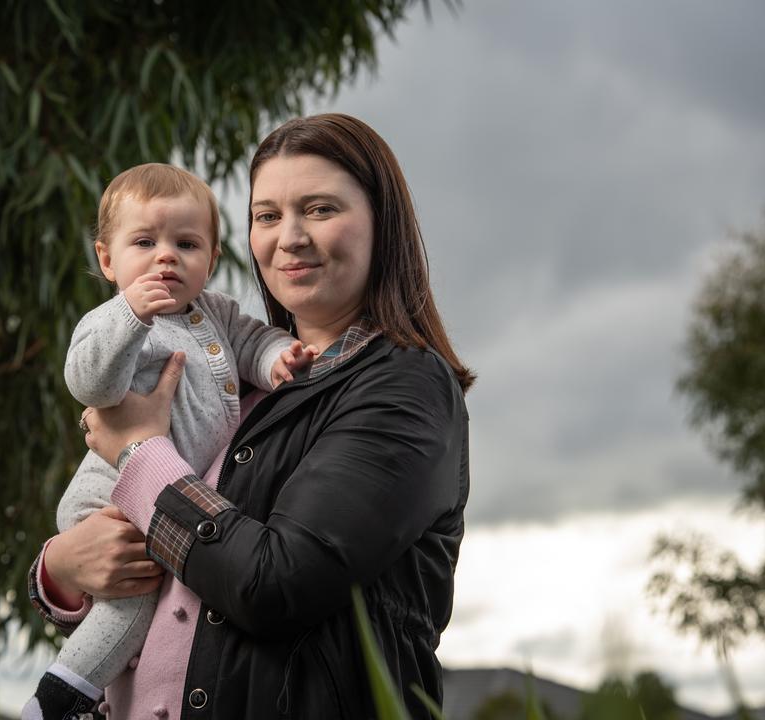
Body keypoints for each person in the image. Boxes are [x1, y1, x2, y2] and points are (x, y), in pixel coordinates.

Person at [31, 113, 474, 719]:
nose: (289, 237)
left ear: (382, 223)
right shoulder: (232, 384)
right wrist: (60, 569)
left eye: (320, 209)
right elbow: (175, 575)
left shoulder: (404, 388)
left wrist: (137, 451)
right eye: (267, 216)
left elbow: (274, 583)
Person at [23, 163, 318, 720]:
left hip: (167, 506)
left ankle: (89, 699)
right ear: (107, 260)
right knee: (131, 601)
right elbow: (89, 383)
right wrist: (131, 315)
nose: (166, 256)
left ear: (210, 260)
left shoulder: (219, 314)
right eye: (144, 242)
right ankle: (60, 698)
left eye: (186, 243)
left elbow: (254, 343)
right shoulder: (112, 319)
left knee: (141, 600)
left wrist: (280, 357)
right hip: (111, 494)